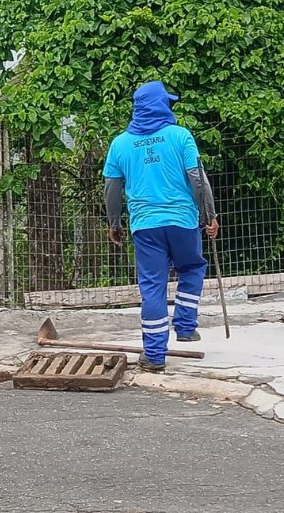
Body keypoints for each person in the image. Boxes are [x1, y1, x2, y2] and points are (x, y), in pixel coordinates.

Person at [103, 80, 220, 372]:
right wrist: (209, 215)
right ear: (161, 105)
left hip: (145, 226)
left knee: (152, 286)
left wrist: (114, 223)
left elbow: (112, 190)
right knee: (192, 267)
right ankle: (185, 325)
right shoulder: (180, 136)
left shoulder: (120, 144)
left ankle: (154, 356)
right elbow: (197, 179)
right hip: (182, 221)